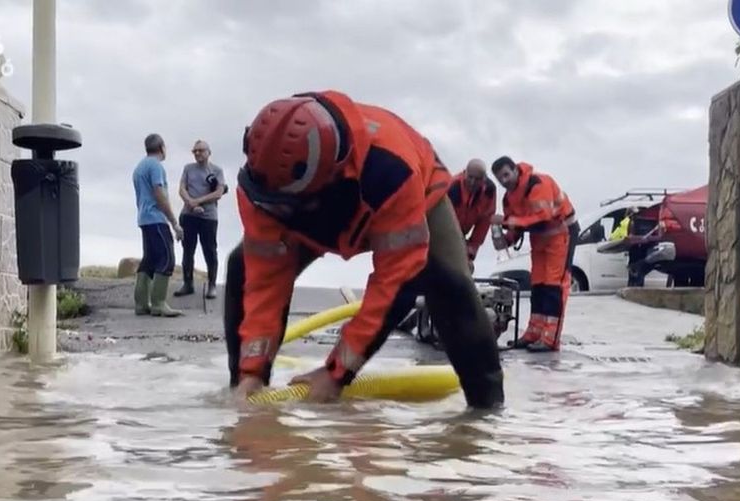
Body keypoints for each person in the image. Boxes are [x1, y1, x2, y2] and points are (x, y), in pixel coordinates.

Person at [223, 90, 505, 409]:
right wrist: (252, 372)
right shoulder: (262, 184)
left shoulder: (391, 171)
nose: (277, 214)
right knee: (242, 266)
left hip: (416, 195)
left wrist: (336, 373)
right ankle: (243, 392)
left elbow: (396, 283)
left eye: (285, 207)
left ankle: (486, 413)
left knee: (449, 284)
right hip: (315, 206)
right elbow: (264, 284)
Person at [490, 156, 578, 352]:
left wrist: (506, 221)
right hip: (539, 238)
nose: (504, 181)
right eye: (500, 178)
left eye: (506, 175)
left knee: (554, 285)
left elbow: (542, 218)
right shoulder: (509, 198)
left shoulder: (537, 183)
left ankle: (550, 338)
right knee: (538, 283)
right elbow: (518, 226)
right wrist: (505, 240)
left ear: (515, 170)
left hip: (561, 233)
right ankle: (534, 332)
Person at [132, 133, 183, 317]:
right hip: (156, 218)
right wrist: (174, 222)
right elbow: (159, 193)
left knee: (150, 259)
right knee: (166, 259)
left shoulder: (139, 167)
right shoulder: (156, 166)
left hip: (144, 218)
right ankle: (158, 303)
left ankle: (141, 304)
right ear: (162, 147)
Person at [175, 140, 227, 299]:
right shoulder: (188, 168)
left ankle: (212, 285)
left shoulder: (217, 170)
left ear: (208, 152)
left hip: (208, 217)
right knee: (188, 250)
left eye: (201, 150)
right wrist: (190, 202)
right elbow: (182, 188)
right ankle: (188, 283)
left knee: (209, 250)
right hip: (189, 215)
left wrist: (198, 201)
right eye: (195, 151)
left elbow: (219, 192)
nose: (197, 153)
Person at [447, 159, 497, 273]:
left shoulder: (489, 191)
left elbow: (484, 222)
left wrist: (471, 250)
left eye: (477, 179)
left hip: (461, 235)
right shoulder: (452, 186)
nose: (473, 182)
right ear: (465, 173)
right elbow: (441, 221)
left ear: (484, 178)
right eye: (470, 177)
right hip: (445, 232)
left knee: (467, 269)